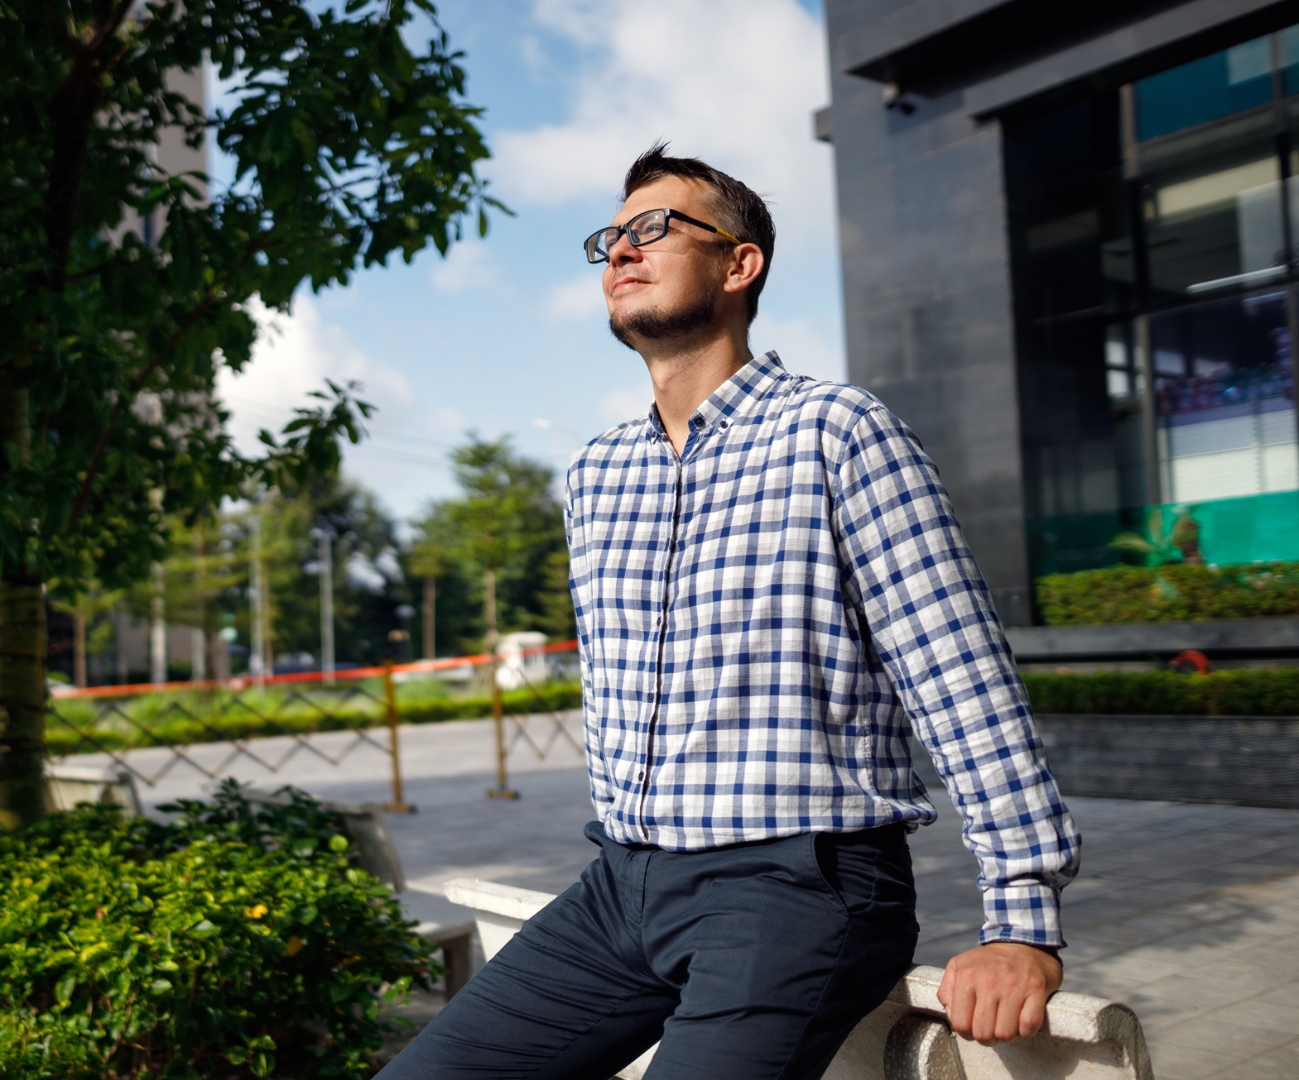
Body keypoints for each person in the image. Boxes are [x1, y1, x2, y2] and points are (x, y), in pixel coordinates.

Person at [380, 144, 1081, 1079]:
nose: (621, 251)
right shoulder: (598, 472)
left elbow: (960, 679)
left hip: (795, 884)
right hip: (622, 884)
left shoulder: (835, 430)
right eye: (611, 238)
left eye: (654, 228)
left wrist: (1021, 920)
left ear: (740, 262)